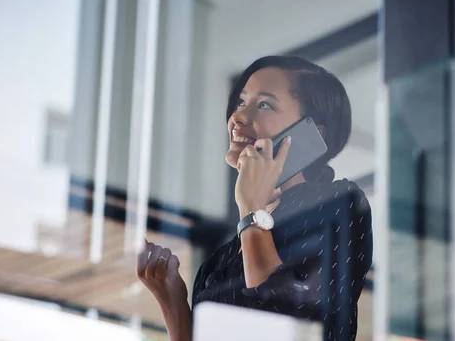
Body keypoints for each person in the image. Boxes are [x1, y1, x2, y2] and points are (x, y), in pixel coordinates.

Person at [137, 56, 373, 341]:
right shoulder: (219, 262)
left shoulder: (338, 205)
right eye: (240, 102)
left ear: (312, 133)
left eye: (264, 104)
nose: (238, 117)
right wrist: (172, 303)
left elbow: (286, 322)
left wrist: (252, 210)